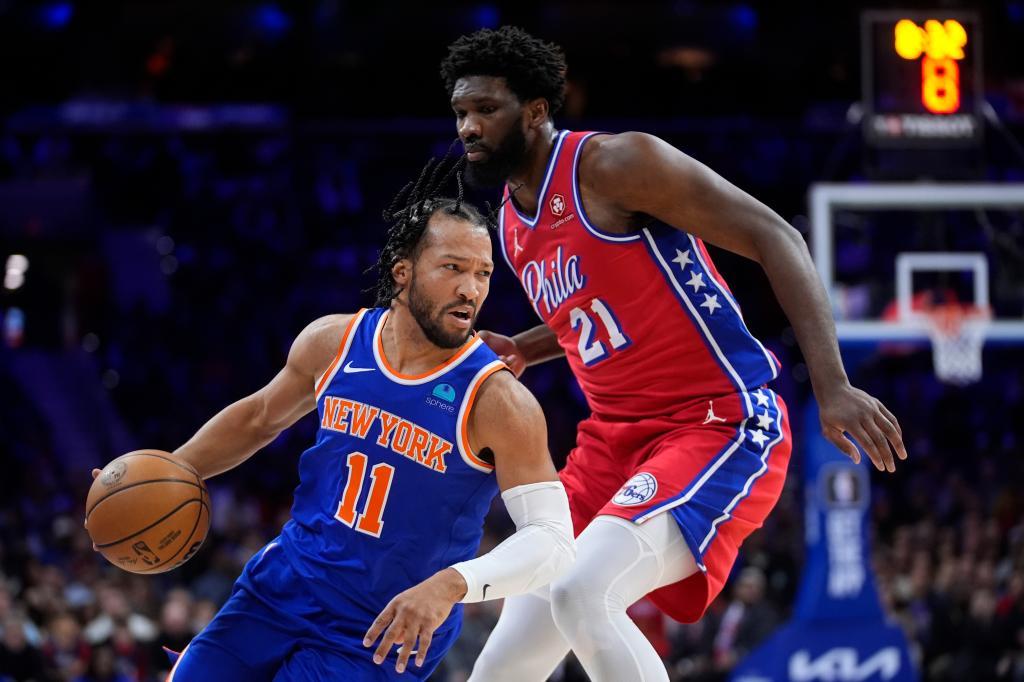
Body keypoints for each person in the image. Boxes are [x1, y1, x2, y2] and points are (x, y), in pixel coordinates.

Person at [440, 26, 908, 682]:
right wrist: (522, 347)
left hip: (714, 423)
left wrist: (832, 385)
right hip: (612, 441)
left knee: (582, 593)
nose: (469, 126)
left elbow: (777, 237)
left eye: (486, 109)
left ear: (537, 111)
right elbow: (593, 313)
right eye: (461, 112)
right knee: (510, 648)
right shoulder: (513, 225)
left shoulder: (615, 165)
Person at [89, 159, 576, 681]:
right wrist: (164, 474)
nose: (470, 289)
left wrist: (453, 583)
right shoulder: (335, 342)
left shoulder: (497, 399)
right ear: (403, 270)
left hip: (381, 630)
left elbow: (552, 539)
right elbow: (258, 418)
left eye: (483, 273)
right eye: (452, 267)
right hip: (280, 589)